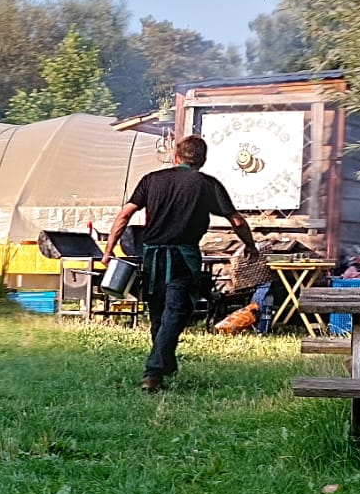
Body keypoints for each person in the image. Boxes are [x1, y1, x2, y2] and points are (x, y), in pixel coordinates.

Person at [101, 135, 263, 392]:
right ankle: (154, 372)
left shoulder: (151, 180)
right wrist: (251, 246)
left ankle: (167, 365)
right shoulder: (207, 184)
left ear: (176, 156)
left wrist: (109, 249)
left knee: (158, 312)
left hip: (152, 256)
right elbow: (237, 221)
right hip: (183, 258)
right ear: (203, 160)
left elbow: (125, 215)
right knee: (176, 312)